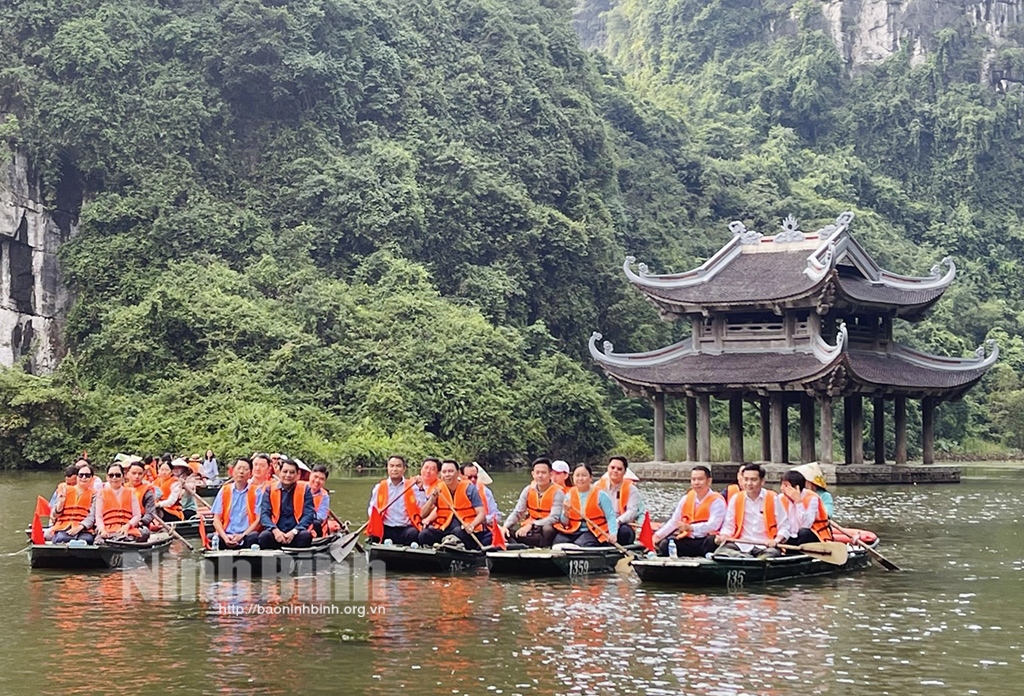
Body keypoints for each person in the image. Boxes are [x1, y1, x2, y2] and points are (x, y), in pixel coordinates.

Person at [715, 463, 791, 557]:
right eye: (746, 479)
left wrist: (776, 540)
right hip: (741, 544)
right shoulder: (736, 498)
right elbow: (729, 525)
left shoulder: (773, 498)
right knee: (721, 551)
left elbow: (784, 526)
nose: (749, 483)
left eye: (753, 480)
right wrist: (724, 536)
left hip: (765, 545)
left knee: (770, 555)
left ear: (762, 481)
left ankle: (748, 560)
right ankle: (744, 558)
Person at [654, 465, 725, 557]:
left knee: (712, 541)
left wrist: (691, 527)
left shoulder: (717, 500)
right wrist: (657, 536)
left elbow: (714, 525)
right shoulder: (686, 498)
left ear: (709, 481)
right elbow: (674, 522)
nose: (696, 483)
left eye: (700, 479)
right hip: (689, 539)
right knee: (665, 544)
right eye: (693, 479)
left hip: (706, 539)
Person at [418, 460, 491, 549]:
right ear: (441, 474)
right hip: (444, 529)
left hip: (464, 529)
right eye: (444, 472)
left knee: (458, 532)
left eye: (450, 471)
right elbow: (423, 514)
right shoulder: (438, 489)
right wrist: (432, 499)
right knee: (424, 535)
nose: (447, 475)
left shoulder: (469, 489)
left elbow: (481, 514)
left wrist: (472, 525)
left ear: (458, 473)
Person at [501, 458, 564, 548]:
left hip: (547, 530)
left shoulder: (558, 492)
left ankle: (544, 550)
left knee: (547, 529)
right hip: (532, 530)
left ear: (550, 475)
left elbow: (554, 517)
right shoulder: (528, 490)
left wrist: (532, 524)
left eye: (543, 473)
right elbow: (518, 512)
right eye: (537, 473)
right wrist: (505, 526)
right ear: (533, 474)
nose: (540, 476)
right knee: (506, 532)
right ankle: (520, 548)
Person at [553, 463, 618, 547]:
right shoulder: (569, 494)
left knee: (582, 543)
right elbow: (565, 523)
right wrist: (565, 511)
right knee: (558, 541)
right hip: (574, 530)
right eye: (577, 475)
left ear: (590, 478)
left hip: (594, 531)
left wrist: (613, 534)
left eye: (584, 475)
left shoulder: (601, 495)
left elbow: (610, 516)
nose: (580, 478)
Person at [258, 459, 315, 549]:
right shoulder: (270, 489)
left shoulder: (305, 489)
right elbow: (264, 514)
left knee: (305, 536)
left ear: (297, 474)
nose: (288, 475)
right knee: (264, 537)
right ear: (279, 472)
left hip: (296, 532)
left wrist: (294, 532)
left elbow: (309, 515)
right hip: (276, 533)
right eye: (285, 471)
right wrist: (275, 531)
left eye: (292, 472)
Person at [367, 455, 421, 545]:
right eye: (392, 466)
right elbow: (371, 509)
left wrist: (422, 489)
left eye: (398, 466)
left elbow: (421, 506)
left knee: (414, 533)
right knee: (375, 534)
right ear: (387, 468)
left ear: (404, 469)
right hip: (386, 527)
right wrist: (376, 514)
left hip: (405, 528)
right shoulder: (379, 487)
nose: (395, 469)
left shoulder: (412, 487)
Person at [211, 458, 262, 549]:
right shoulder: (224, 490)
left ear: (250, 474)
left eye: (245, 469)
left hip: (246, 535)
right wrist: (225, 537)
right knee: (212, 538)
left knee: (254, 537)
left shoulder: (256, 491)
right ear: (232, 471)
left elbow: (258, 520)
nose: (241, 472)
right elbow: (216, 519)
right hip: (227, 534)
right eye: (238, 468)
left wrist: (242, 535)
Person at [594, 455, 642, 545]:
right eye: (612, 468)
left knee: (625, 532)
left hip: (622, 523)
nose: (615, 471)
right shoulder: (597, 486)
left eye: (619, 469)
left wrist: (618, 521)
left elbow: (632, 511)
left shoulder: (632, 489)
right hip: (601, 522)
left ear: (624, 472)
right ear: (608, 468)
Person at [780, 470, 833, 547]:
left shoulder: (812, 498)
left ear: (796, 488)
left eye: (786, 486)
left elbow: (806, 525)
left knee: (804, 533)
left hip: (815, 535)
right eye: (782, 485)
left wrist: (798, 502)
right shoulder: (780, 498)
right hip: (790, 536)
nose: (782, 488)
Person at [94, 463, 144, 540]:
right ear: (107, 477)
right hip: (107, 529)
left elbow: (137, 515)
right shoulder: (101, 493)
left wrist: (128, 525)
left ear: (123, 477)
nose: (114, 478)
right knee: (99, 541)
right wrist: (102, 530)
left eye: (117, 475)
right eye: (111, 475)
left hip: (127, 529)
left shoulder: (131, 492)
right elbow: (98, 516)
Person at [50, 465, 97, 544]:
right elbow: (55, 515)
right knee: (62, 538)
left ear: (92, 478)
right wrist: (61, 503)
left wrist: (80, 527)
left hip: (83, 529)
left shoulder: (94, 494)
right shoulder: (65, 490)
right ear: (77, 477)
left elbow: (92, 516)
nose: (84, 478)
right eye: (81, 475)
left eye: (87, 475)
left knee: (87, 539)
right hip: (63, 527)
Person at [461, 462, 501, 527]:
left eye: (475, 477)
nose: (473, 479)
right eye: (469, 477)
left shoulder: (485, 491)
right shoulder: (454, 491)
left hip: (484, 527)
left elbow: (496, 515)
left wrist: (480, 520)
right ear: (461, 476)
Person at [125, 461, 157, 538]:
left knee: (144, 533)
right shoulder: (121, 488)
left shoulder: (147, 491)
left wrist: (141, 521)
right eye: (133, 473)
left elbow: (150, 513)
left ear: (143, 475)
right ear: (127, 474)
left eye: (140, 474)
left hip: (139, 522)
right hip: (120, 520)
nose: (137, 476)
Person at [309, 464, 338, 536]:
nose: (317, 481)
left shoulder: (324, 496)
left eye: (321, 479)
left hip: (314, 527)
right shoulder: (299, 487)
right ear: (310, 475)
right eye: (315, 477)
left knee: (316, 523)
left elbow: (321, 517)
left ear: (325, 481)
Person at [414, 458, 442, 527]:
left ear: (438, 473)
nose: (428, 471)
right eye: (426, 468)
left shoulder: (441, 487)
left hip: (430, 523)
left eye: (432, 469)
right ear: (421, 469)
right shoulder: (412, 484)